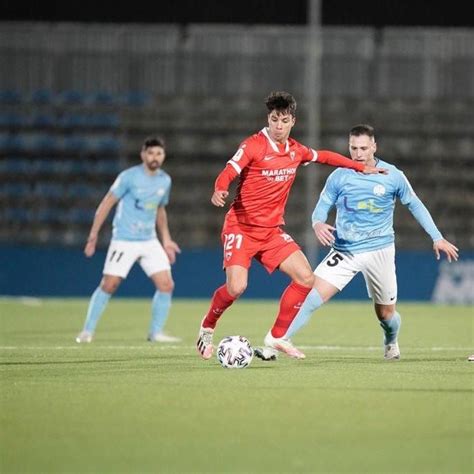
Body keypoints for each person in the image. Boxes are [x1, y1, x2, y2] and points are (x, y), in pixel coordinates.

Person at [196, 92, 386, 360]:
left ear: (292, 121)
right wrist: (219, 187)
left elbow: (325, 157)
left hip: (271, 232)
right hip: (241, 227)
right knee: (237, 287)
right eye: (274, 120)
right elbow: (230, 169)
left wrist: (358, 167)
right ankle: (207, 326)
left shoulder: (296, 151)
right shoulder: (253, 145)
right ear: (268, 119)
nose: (279, 126)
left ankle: (276, 337)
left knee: (306, 278)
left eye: (284, 120)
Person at [257, 124, 459, 361]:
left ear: (374, 146)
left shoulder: (392, 175)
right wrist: (318, 224)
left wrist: (437, 237)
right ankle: (275, 345)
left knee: (385, 315)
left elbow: (415, 205)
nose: (358, 153)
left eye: (363, 148)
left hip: (380, 250)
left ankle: (391, 340)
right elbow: (321, 208)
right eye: (354, 148)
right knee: (311, 296)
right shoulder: (339, 175)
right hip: (345, 251)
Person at [75, 136, 181, 343]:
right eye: (150, 153)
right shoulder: (128, 177)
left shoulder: (164, 180)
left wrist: (166, 240)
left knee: (166, 284)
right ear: (143, 155)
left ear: (163, 156)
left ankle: (155, 332)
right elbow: (107, 203)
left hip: (149, 240)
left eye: (158, 153)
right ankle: (87, 330)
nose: (154, 157)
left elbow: (160, 209)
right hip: (124, 239)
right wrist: (93, 235)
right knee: (109, 285)